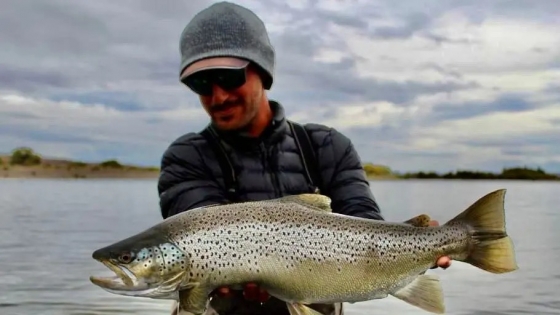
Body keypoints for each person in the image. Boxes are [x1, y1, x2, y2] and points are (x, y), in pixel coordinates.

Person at [158, 2, 452, 315]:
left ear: (262, 70)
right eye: (201, 83)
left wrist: (415, 247)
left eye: (229, 77)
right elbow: (200, 237)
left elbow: (364, 222)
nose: (218, 96)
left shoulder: (328, 146)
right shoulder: (186, 157)